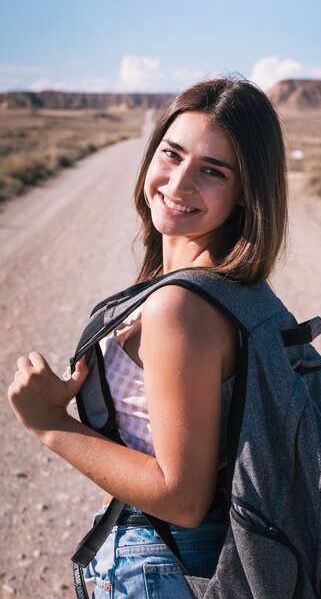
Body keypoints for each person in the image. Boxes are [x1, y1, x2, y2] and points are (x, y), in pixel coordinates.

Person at [7, 76, 287, 598]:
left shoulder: (182, 308)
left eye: (211, 171)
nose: (178, 184)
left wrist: (48, 424)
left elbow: (181, 497)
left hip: (169, 565)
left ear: (247, 192)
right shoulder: (233, 290)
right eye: (171, 154)